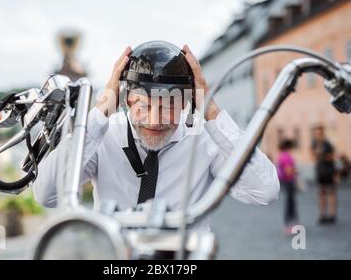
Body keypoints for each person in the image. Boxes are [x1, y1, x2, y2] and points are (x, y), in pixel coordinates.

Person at [33, 40, 279, 227]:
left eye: (168, 105)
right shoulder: (104, 135)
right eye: (143, 105)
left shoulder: (204, 138)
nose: (154, 119)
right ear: (126, 99)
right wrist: (99, 112)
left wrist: (210, 109)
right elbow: (47, 193)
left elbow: (265, 190)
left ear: (186, 102)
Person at [311, 125, 338, 224]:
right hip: (320, 170)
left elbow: (332, 157)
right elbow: (313, 156)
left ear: (322, 133)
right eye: (316, 133)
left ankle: (332, 214)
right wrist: (316, 153)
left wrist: (322, 155)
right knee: (321, 192)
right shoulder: (314, 143)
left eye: (319, 133)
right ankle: (323, 214)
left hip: (329, 170)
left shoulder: (327, 144)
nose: (318, 135)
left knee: (331, 192)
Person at [276, 139, 298, 233]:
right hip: (289, 181)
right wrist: (296, 171)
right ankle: (289, 224)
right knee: (290, 203)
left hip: (285, 182)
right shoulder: (287, 157)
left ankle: (292, 223)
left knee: (290, 203)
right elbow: (288, 171)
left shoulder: (281, 156)